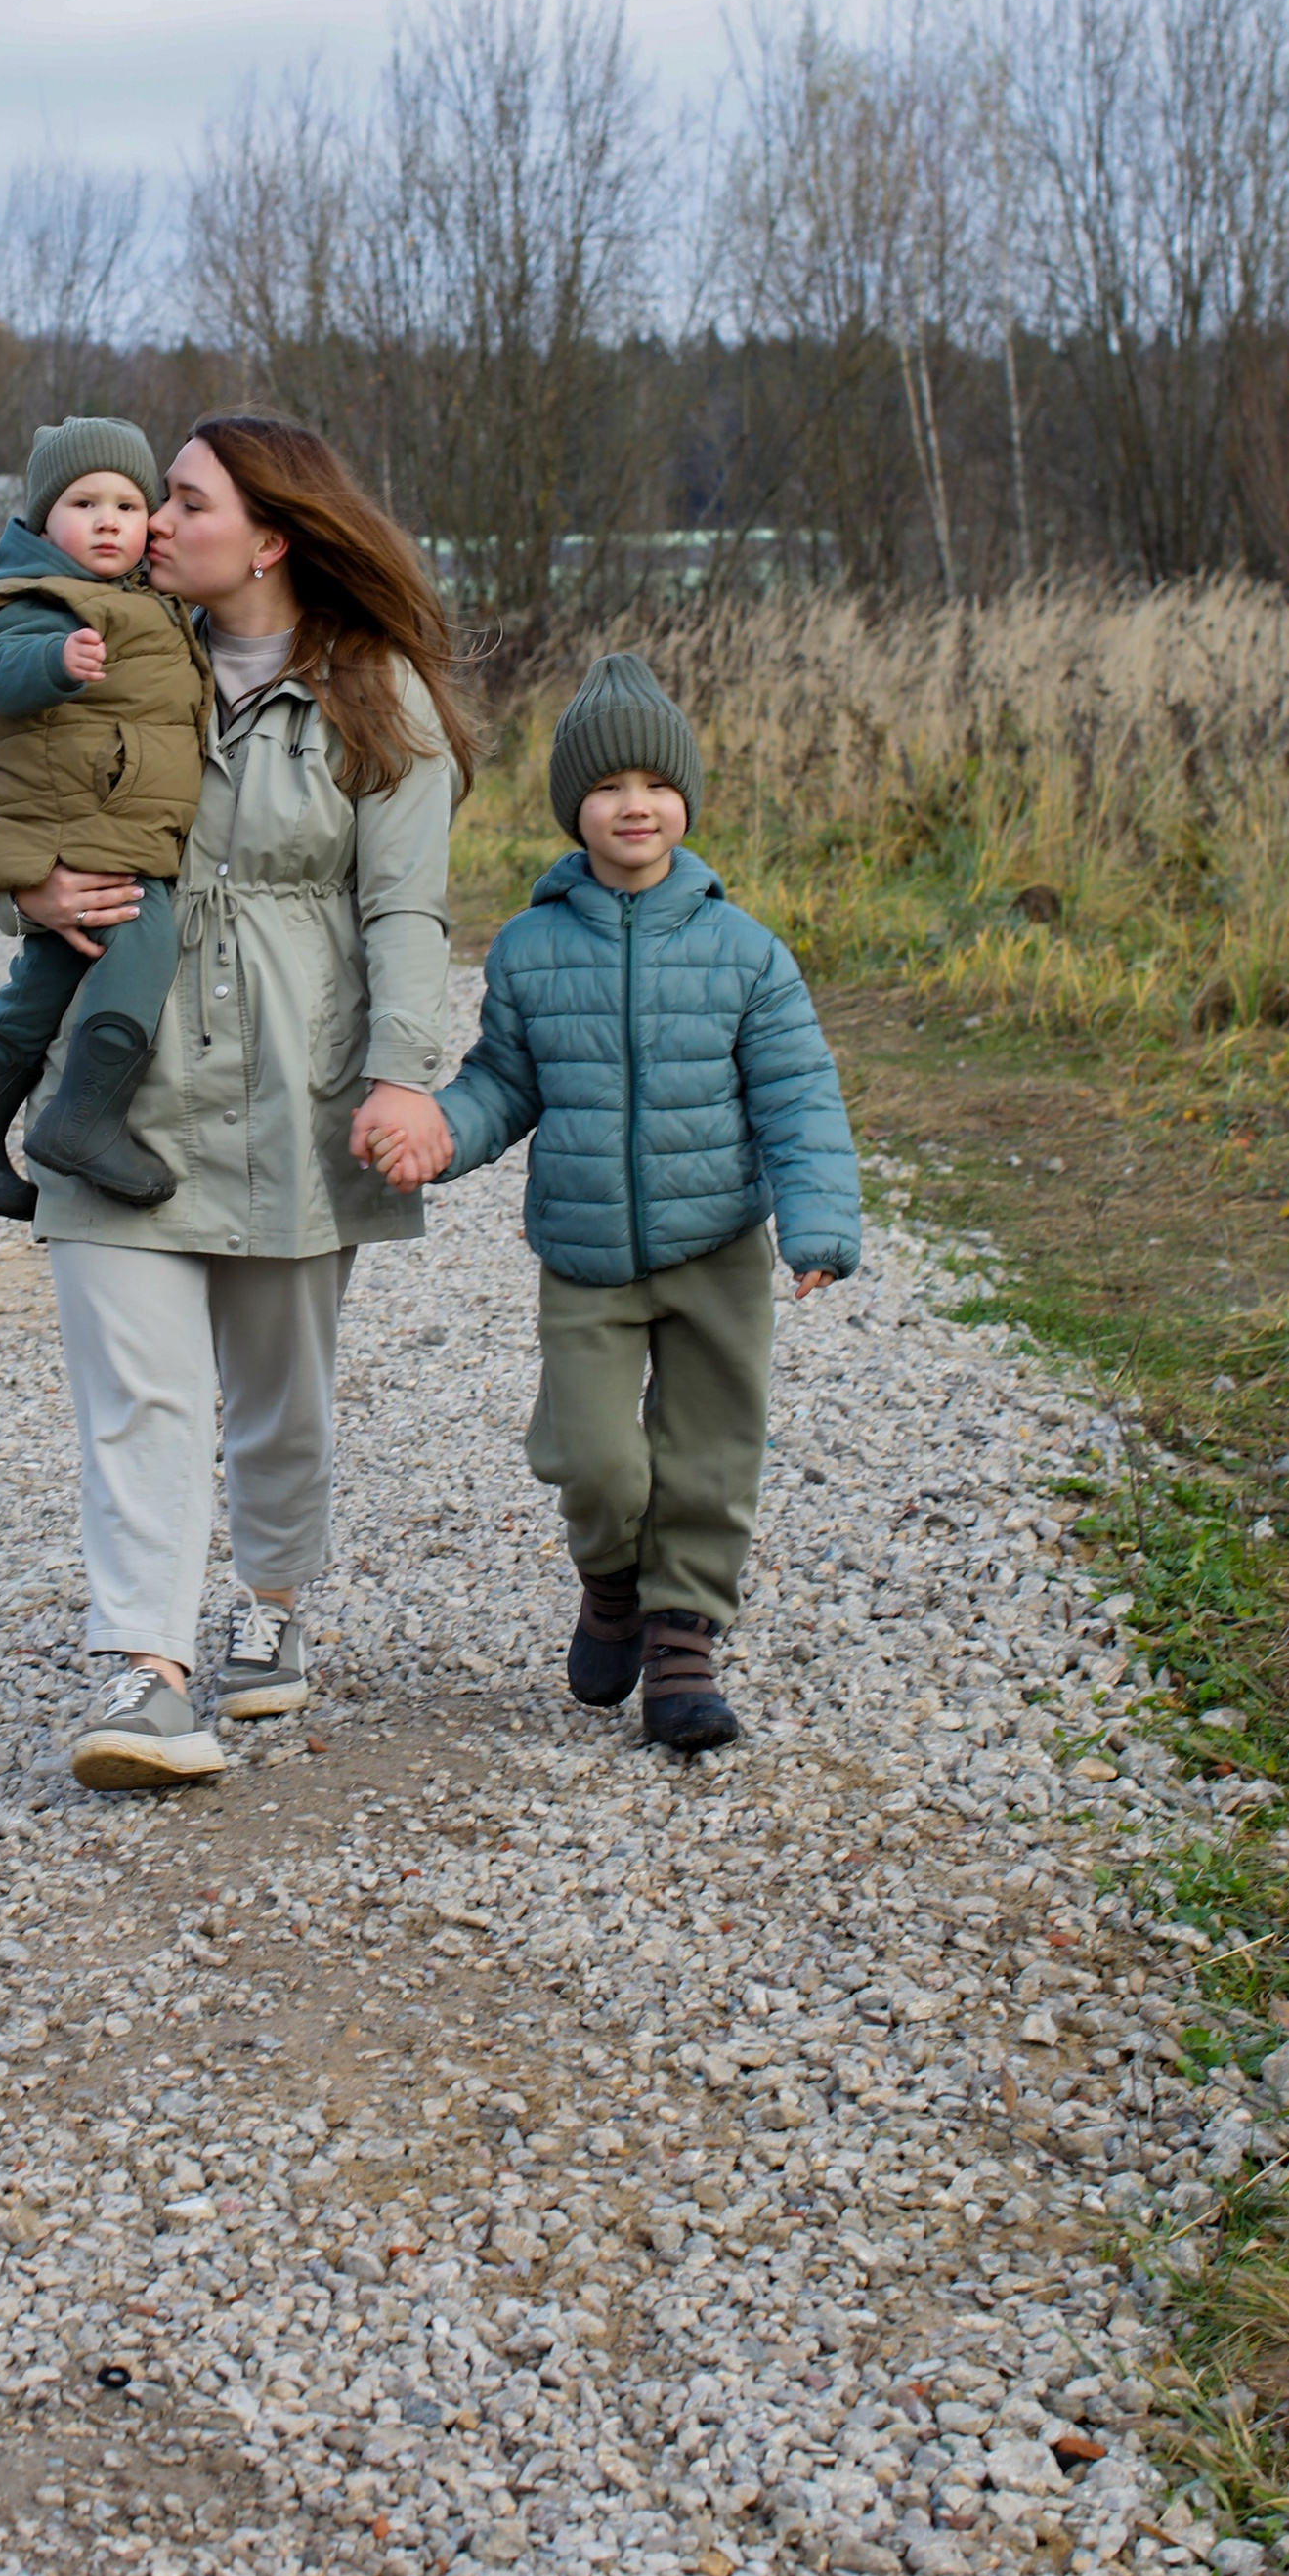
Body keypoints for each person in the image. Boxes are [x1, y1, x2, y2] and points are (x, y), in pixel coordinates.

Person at [0, 412, 476, 1793]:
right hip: (117, 1074)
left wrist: (403, 1076)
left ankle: (267, 1595)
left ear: (270, 536)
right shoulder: (103, 658)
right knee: (139, 1396)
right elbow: (9, 795)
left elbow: (403, 909)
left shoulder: (382, 699)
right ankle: (142, 1670)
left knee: (282, 1395)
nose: (150, 523)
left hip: (293, 1089)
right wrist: (21, 885)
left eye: (184, 503)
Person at [366, 651, 859, 1754]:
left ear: (684, 797)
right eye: (606, 787)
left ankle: (682, 1651)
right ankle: (610, 1585)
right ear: (571, 810)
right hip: (586, 1252)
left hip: (715, 1245)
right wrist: (440, 1131)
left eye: (655, 783)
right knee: (595, 1456)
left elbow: (797, 1096)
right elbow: (507, 1082)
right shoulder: (534, 950)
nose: (634, 806)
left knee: (708, 1453)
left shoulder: (745, 953)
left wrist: (817, 1222)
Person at [0, 419, 213, 1219]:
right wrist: (57, 662)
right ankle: (84, 1122)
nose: (109, 519)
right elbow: (1, 677)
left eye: (127, 503)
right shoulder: (37, 598)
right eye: (83, 502)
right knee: (143, 942)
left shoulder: (137, 600)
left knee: (44, 980)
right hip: (81, 828)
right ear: (44, 521)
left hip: (89, 824)